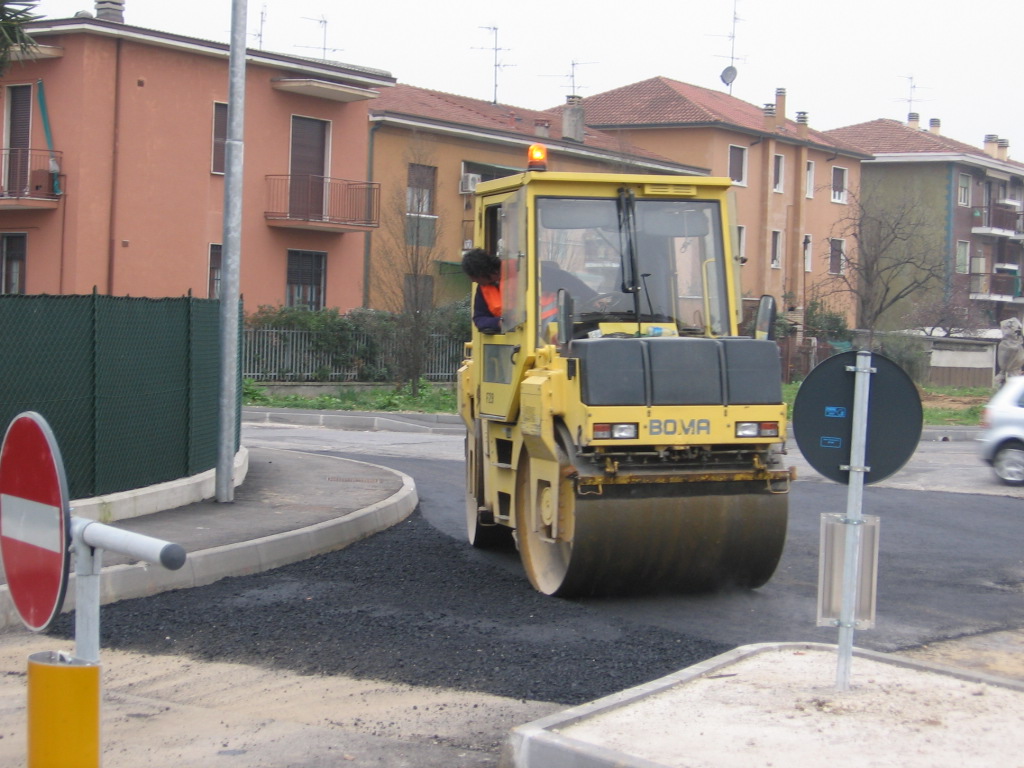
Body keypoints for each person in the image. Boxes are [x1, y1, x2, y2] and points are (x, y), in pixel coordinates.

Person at [462, 248, 502, 333]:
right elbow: (479, 318)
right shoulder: (482, 289)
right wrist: (498, 323)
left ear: (480, 273)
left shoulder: (516, 276)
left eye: (473, 277)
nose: (473, 281)